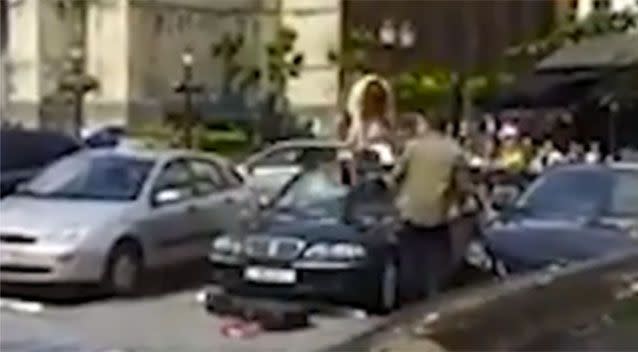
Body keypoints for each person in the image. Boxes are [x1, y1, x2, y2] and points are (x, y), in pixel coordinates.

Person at [384, 114, 471, 302]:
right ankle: (434, 301)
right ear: (446, 128)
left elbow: (394, 178)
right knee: (437, 265)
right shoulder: (454, 151)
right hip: (437, 215)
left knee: (410, 262)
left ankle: (409, 301)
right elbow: (463, 187)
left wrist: (394, 202)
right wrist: (461, 205)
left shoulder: (413, 148)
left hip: (409, 212)